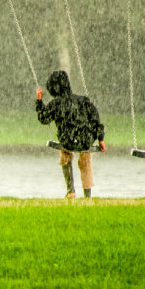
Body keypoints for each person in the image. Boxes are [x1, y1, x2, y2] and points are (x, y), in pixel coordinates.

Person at [35, 70, 106, 198]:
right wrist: (100, 139)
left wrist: (39, 101)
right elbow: (95, 119)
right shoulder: (83, 101)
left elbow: (43, 118)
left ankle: (70, 190)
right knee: (85, 158)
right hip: (85, 140)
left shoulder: (56, 104)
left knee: (65, 153)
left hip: (67, 139)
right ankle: (87, 194)